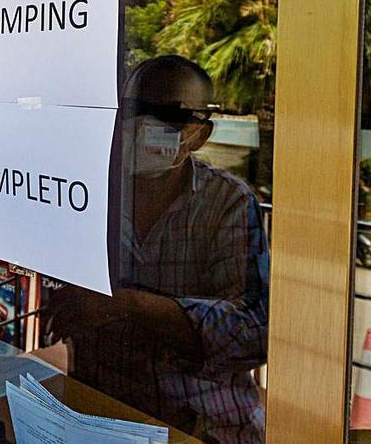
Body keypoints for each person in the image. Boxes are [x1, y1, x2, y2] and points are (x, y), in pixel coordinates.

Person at [48, 55, 269, 444]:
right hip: (100, 418)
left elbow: (254, 332)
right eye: (135, 110)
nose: (146, 127)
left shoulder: (228, 202)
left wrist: (123, 303)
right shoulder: (87, 193)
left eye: (170, 115)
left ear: (200, 134)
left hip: (206, 426)